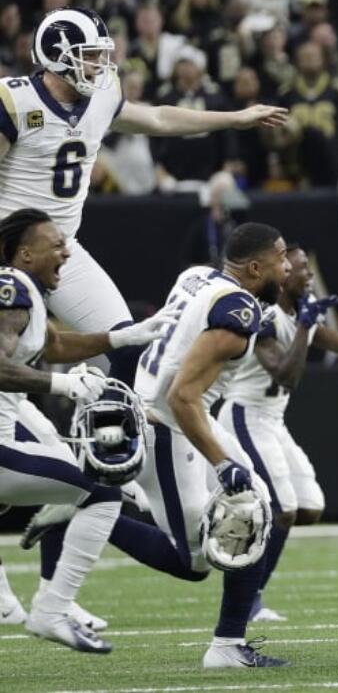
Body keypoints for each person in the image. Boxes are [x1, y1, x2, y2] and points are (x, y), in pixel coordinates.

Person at [27, 224, 292, 667]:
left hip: (171, 414)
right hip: (167, 427)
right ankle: (84, 507)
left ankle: (229, 644)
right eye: (281, 258)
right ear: (255, 267)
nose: (286, 267)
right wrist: (223, 463)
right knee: (195, 561)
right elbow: (181, 397)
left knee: (255, 508)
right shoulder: (237, 312)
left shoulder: (196, 276)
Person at [0, 7, 286, 385]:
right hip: (7, 251)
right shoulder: (15, 101)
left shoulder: (100, 98)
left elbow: (158, 119)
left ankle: (110, 439)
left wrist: (233, 118)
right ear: (57, 56)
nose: (100, 64)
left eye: (101, 54)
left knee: (129, 351)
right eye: (89, 55)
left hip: (62, 250)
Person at [0, 209, 165, 652]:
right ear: (25, 253)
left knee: (80, 482)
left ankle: (45, 602)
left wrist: (119, 340)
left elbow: (53, 344)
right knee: (103, 492)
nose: (66, 252)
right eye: (55, 245)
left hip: (9, 427)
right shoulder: (12, 288)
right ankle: (52, 610)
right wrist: (65, 383)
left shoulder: (25, 291)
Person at [218, 245, 338, 621]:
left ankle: (245, 551)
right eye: (303, 271)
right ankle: (248, 596)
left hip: (271, 420)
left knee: (310, 507)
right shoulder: (265, 315)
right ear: (284, 276)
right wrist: (304, 327)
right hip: (244, 415)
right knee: (282, 509)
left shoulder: (301, 314)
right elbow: (285, 373)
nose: (309, 277)